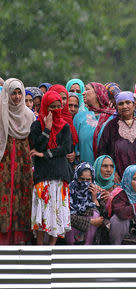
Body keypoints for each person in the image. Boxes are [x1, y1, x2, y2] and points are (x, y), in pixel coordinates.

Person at [29, 91, 72, 245]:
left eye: (58, 106)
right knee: (42, 211)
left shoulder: (65, 126)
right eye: (51, 107)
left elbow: (65, 148)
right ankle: (40, 247)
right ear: (45, 107)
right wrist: (47, 130)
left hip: (60, 174)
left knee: (57, 211)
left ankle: (52, 246)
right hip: (43, 175)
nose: (55, 110)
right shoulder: (36, 125)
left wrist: (45, 154)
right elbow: (36, 145)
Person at [0, 78, 35, 245]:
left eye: (19, 92)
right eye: (13, 93)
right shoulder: (1, 112)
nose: (16, 97)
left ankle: (20, 237)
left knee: (21, 195)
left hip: (23, 161)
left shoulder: (28, 115)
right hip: (3, 159)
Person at [73, 82, 115, 164]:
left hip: (107, 170)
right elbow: (74, 146)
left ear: (97, 94)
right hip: (85, 172)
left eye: (87, 89)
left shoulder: (113, 118)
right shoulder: (79, 117)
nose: (83, 93)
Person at [65, 162, 104, 245]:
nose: (85, 182)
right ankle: (70, 249)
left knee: (95, 214)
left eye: (88, 180)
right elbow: (66, 216)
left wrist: (94, 199)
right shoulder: (69, 189)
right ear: (76, 177)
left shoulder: (95, 189)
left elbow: (101, 218)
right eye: (82, 179)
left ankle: (87, 247)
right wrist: (90, 221)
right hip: (74, 226)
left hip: (87, 228)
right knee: (68, 220)